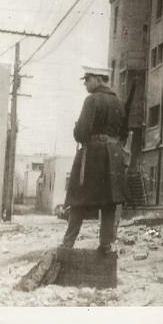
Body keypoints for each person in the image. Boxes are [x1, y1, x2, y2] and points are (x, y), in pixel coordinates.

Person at [60, 65, 129, 253]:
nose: (85, 84)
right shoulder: (120, 102)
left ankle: (67, 245)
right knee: (109, 203)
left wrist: (78, 131)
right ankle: (106, 247)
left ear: (98, 80)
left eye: (87, 79)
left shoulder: (91, 100)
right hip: (113, 157)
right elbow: (124, 133)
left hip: (93, 157)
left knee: (78, 200)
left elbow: (81, 133)